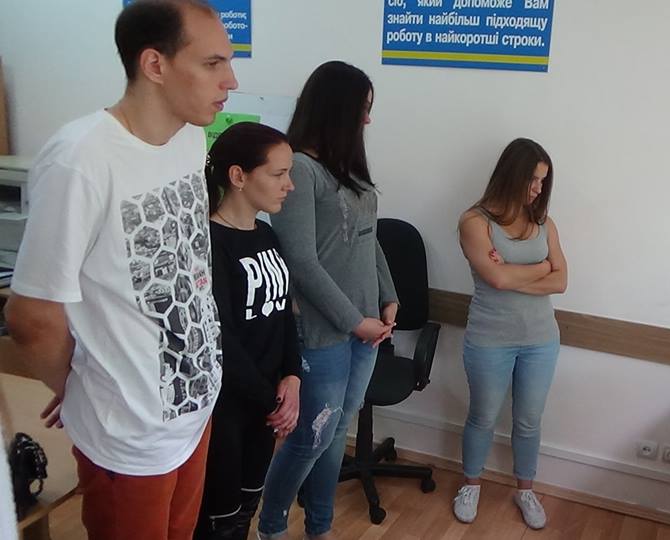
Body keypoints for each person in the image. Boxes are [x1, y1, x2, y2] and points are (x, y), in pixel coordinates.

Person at [2, 1, 237, 538]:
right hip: (129, 435)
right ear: (155, 65)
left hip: (192, 407)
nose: (231, 80)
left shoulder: (189, 136)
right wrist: (79, 387)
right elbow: (32, 316)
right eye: (212, 63)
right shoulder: (80, 159)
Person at [257, 61, 398, 540]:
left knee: (337, 431)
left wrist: (388, 296)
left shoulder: (349, 169)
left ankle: (320, 527)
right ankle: (271, 526)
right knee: (309, 437)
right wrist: (354, 320)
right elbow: (301, 262)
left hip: (364, 328)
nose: (368, 119)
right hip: (323, 333)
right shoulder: (300, 169)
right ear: (337, 108)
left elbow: (369, 238)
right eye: (362, 109)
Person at [454, 138, 568, 529]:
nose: (538, 189)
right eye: (532, 179)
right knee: (482, 416)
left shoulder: (544, 224)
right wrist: (542, 267)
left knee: (529, 420)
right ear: (511, 173)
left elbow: (561, 281)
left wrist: (514, 273)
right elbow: (498, 280)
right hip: (489, 338)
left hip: (541, 339)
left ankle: (525, 490)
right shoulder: (475, 222)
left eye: (543, 181)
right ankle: (471, 484)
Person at [194, 122, 301, 539]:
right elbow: (219, 337)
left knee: (246, 510)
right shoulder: (210, 242)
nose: (289, 185)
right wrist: (271, 400)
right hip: (228, 409)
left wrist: (292, 376)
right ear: (238, 176)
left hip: (265, 406)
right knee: (219, 518)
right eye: (278, 174)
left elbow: (283, 314)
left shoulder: (267, 235)